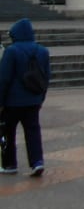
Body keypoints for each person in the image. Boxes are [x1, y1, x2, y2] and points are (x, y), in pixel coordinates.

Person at [0, 18, 51, 177]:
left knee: (7, 132)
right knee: (33, 131)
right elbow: (46, 77)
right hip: (34, 100)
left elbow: (4, 79)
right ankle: (37, 162)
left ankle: (9, 164)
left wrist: (0, 101)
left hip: (12, 102)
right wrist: (41, 97)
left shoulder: (11, 51)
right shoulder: (42, 51)